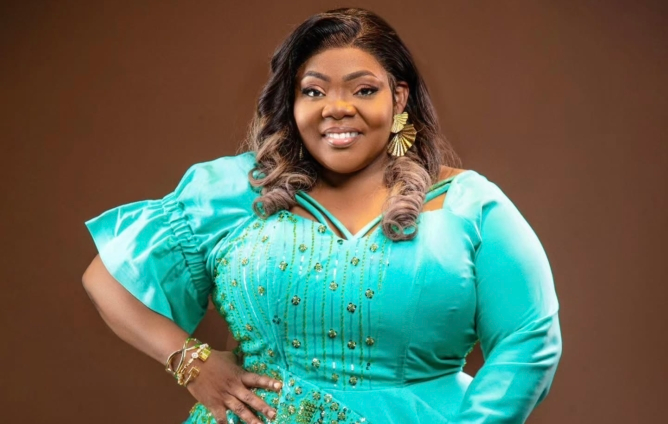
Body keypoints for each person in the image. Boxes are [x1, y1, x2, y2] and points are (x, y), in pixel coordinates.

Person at [82, 8, 562, 424]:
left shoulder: (468, 204)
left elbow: (527, 340)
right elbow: (106, 279)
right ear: (291, 104)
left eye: (364, 90)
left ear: (399, 98)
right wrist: (191, 363)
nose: (337, 108)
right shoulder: (235, 190)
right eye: (313, 92)